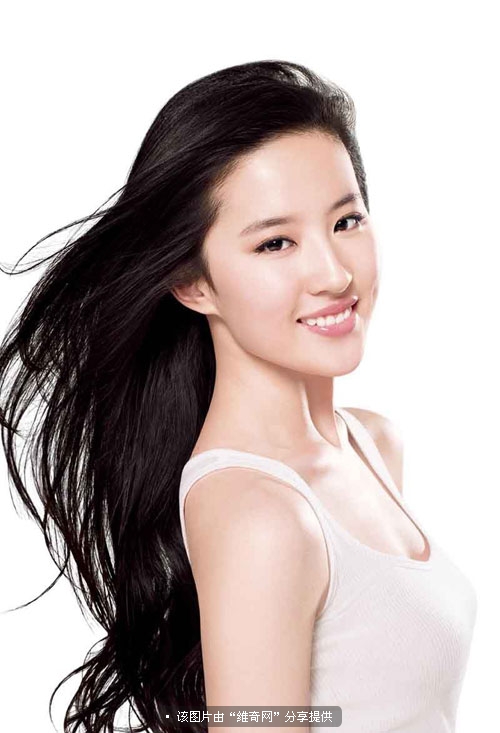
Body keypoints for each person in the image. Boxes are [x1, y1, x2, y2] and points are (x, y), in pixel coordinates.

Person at [0, 60, 477, 733]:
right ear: (193, 283)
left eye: (346, 221)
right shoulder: (260, 517)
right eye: (276, 242)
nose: (334, 274)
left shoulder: (371, 444)